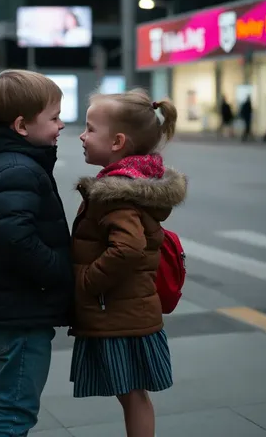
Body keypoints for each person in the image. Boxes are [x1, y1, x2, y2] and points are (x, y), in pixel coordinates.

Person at [0, 70, 74, 437]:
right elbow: (14, 239)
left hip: (7, 310)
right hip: (19, 313)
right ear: (22, 125)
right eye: (54, 117)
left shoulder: (11, 162)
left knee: (4, 403)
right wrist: (61, 270)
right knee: (15, 411)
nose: (62, 124)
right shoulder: (17, 168)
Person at [70, 89, 188, 437]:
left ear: (118, 141)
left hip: (121, 317)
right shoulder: (134, 182)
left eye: (90, 128)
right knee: (134, 396)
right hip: (131, 313)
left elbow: (130, 247)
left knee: (133, 396)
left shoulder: (115, 193)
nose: (82, 134)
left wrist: (88, 281)